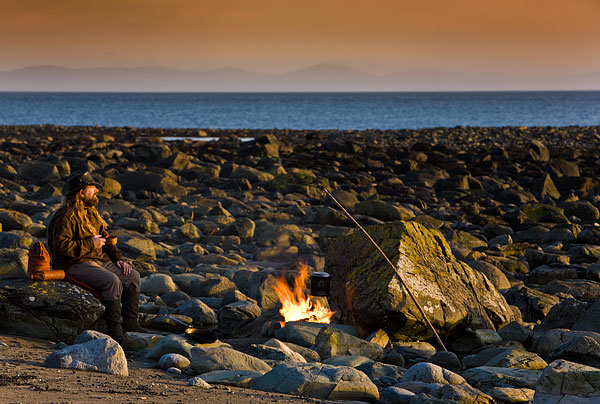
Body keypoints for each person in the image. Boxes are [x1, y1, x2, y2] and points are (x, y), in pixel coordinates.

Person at [47, 171, 145, 342]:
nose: (96, 191)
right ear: (81, 192)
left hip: (97, 261)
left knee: (133, 276)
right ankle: (115, 332)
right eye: (92, 188)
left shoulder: (90, 213)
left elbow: (106, 240)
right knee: (112, 281)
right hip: (74, 263)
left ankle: (130, 323)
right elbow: (60, 247)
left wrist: (118, 260)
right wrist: (89, 244)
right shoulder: (65, 215)